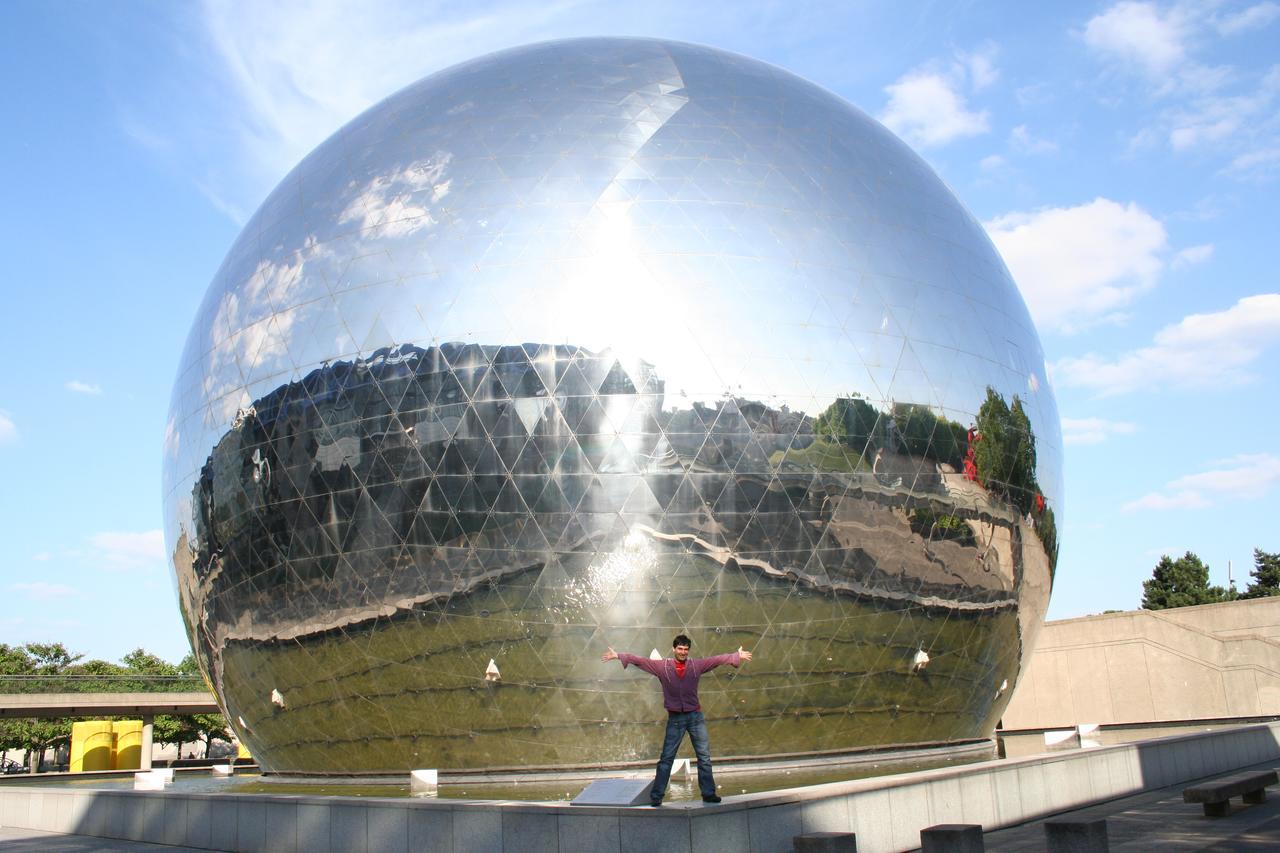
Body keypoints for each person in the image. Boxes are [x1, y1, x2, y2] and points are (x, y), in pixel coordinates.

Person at [602, 634, 753, 806]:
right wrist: (619, 656)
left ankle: (708, 793)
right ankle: (657, 796)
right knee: (667, 758)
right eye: (680, 649)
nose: (683, 652)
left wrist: (735, 656)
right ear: (674, 649)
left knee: (704, 757)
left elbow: (715, 660)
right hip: (676, 719)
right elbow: (640, 661)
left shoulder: (696, 665)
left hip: (695, 717)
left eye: (686, 649)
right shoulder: (662, 666)